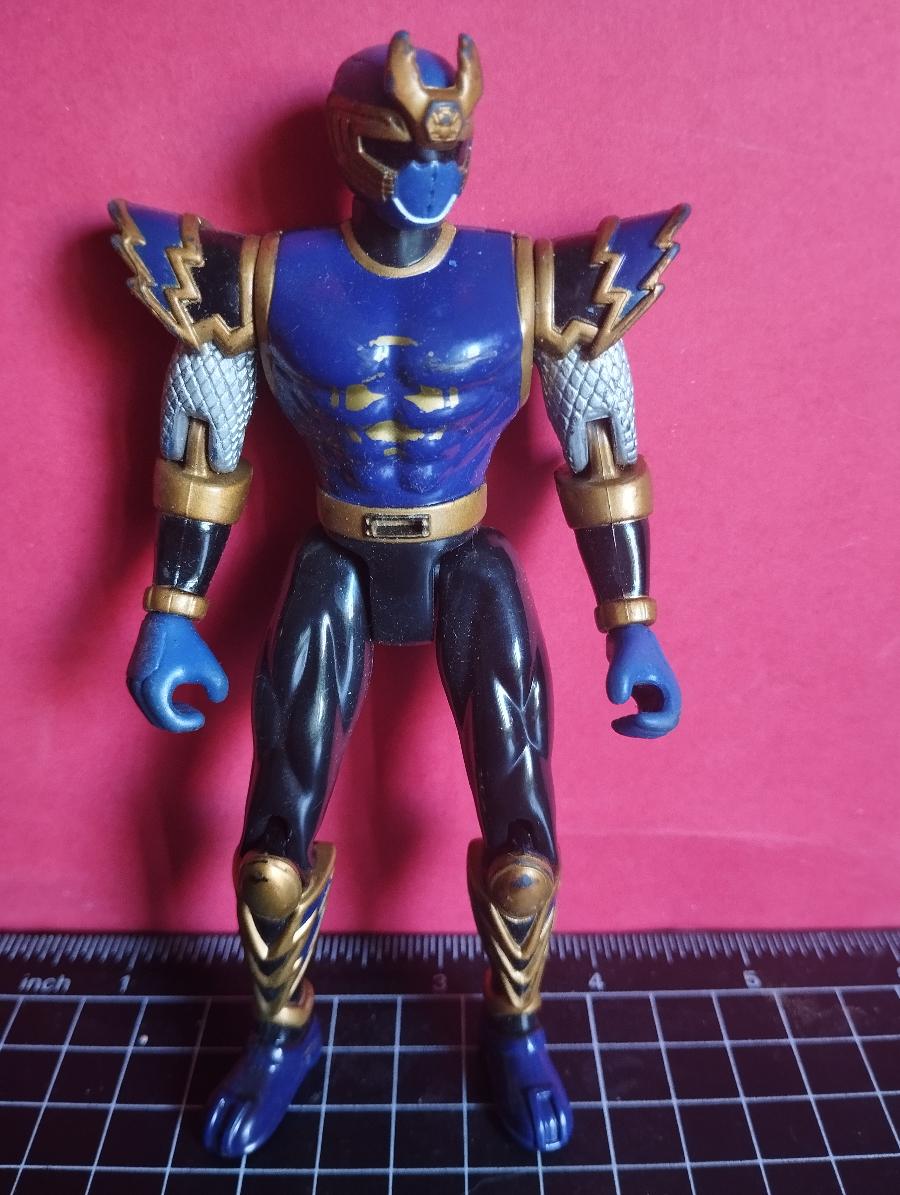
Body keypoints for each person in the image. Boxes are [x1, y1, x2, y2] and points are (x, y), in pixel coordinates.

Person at [112, 30, 685, 1157]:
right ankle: (282, 1032)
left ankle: (516, 1025)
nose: (428, 170)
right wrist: (172, 609)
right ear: (349, 143)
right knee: (271, 849)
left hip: (470, 558)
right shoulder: (262, 278)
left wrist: (634, 622)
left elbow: (603, 452)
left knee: (523, 844)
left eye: (448, 147)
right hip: (333, 558)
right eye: (399, 144)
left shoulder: (534, 282)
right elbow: (204, 443)